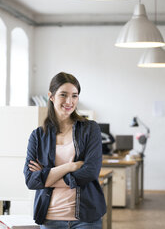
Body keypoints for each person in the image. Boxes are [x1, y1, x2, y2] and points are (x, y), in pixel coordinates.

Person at [24, 72, 106, 229]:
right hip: (49, 218)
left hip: (86, 219)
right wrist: (70, 166)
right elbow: (31, 181)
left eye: (74, 96)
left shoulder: (90, 129)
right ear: (51, 96)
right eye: (63, 95)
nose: (69, 101)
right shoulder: (38, 136)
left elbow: (90, 173)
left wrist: (47, 177)